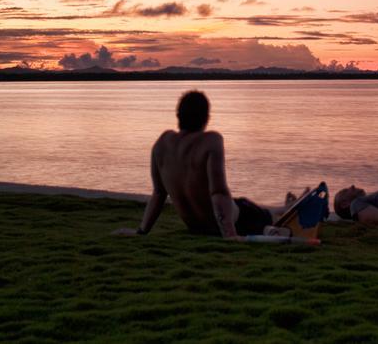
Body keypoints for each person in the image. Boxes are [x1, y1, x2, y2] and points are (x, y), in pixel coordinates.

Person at [115, 90, 278, 239]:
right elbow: (218, 192)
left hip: (196, 227)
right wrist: (230, 235)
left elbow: (159, 194)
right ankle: (275, 220)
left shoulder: (162, 143)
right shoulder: (211, 141)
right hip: (238, 221)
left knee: (240, 203)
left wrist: (142, 231)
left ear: (178, 116)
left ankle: (281, 210)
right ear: (206, 117)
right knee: (265, 214)